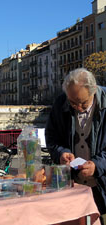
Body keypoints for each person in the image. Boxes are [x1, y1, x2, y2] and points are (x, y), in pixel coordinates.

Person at [45, 68, 106, 223]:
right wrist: (60, 153)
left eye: (83, 103)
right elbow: (52, 137)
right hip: (73, 189)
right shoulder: (61, 103)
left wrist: (97, 165)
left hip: (103, 188)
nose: (78, 108)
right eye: (73, 103)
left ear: (94, 91)